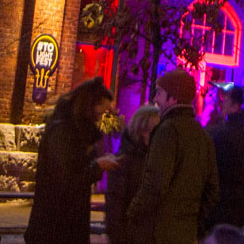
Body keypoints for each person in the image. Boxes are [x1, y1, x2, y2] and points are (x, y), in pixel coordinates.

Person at [127, 68, 219, 244]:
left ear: (173, 98)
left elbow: (155, 184)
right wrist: (193, 222)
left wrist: (133, 213)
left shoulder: (167, 131)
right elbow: (212, 191)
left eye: (159, 94)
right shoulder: (203, 136)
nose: (155, 99)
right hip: (186, 232)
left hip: (161, 232)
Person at [25, 76, 119, 244]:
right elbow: (67, 178)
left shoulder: (77, 132)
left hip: (65, 223)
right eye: (100, 111)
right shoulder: (64, 132)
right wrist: (97, 166)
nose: (100, 117)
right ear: (89, 106)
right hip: (54, 226)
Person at [104, 104, 160, 244]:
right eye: (149, 131)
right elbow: (115, 208)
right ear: (140, 131)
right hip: (130, 235)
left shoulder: (159, 159)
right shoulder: (124, 161)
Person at [209, 84, 244, 229]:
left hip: (225, 202)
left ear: (234, 105)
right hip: (239, 203)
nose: (222, 105)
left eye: (225, 101)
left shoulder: (224, 134)